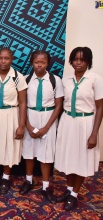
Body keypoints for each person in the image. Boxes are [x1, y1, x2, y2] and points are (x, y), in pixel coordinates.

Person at [55, 47, 103, 211]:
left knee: (81, 158)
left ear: (88, 61)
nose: (78, 62)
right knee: (69, 156)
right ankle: (68, 189)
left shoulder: (95, 79)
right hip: (68, 121)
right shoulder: (66, 79)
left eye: (82, 60)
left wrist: (94, 133)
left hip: (85, 122)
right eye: (75, 59)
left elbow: (100, 108)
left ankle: (74, 194)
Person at [19, 50, 63, 203]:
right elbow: (21, 104)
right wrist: (28, 125)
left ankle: (45, 186)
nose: (39, 65)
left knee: (46, 154)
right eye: (37, 62)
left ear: (47, 63)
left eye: (43, 62)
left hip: (48, 117)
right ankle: (29, 181)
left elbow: (58, 106)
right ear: (32, 63)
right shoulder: (25, 80)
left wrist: (46, 127)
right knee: (29, 151)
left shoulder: (55, 80)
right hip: (30, 116)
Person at [0, 48, 27, 195]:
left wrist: (21, 125)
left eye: (7, 58)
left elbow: (22, 103)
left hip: (12, 114)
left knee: (10, 145)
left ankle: (6, 178)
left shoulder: (18, 77)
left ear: (12, 59)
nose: (3, 61)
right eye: (1, 58)